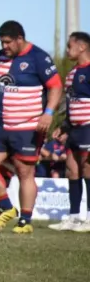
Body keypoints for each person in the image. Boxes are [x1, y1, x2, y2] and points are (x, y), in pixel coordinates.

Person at [0, 21, 62, 234]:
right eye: (2, 42)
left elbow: (55, 86)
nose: (4, 46)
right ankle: (7, 207)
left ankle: (25, 221)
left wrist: (48, 113)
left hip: (28, 127)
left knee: (25, 172)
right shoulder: (0, 57)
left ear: (19, 39)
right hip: (0, 125)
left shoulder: (39, 57)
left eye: (8, 42)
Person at [50, 31, 90, 232]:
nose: (67, 50)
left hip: (88, 127)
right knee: (71, 170)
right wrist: (64, 126)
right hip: (74, 129)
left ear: (82, 47)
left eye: (69, 46)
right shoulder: (72, 73)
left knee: (88, 169)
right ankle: (73, 217)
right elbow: (72, 104)